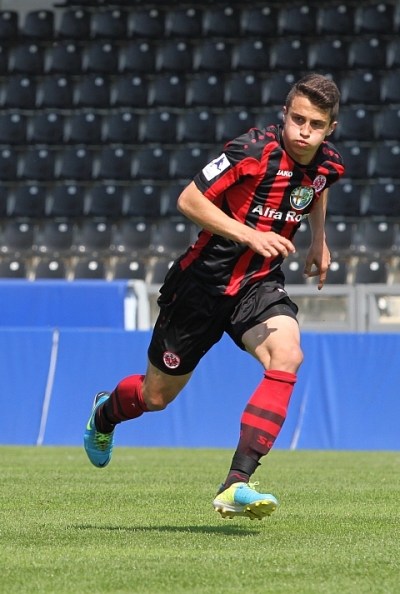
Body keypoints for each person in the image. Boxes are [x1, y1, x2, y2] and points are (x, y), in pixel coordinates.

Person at [84, 74, 344, 520]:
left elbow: (315, 191)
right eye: (298, 119)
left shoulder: (329, 165)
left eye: (316, 125)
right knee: (155, 397)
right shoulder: (250, 151)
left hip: (258, 284)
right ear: (284, 114)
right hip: (200, 285)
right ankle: (104, 415)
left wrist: (319, 239)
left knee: (288, 355)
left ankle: (236, 482)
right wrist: (249, 234)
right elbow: (189, 200)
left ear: (330, 129)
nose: (304, 131)